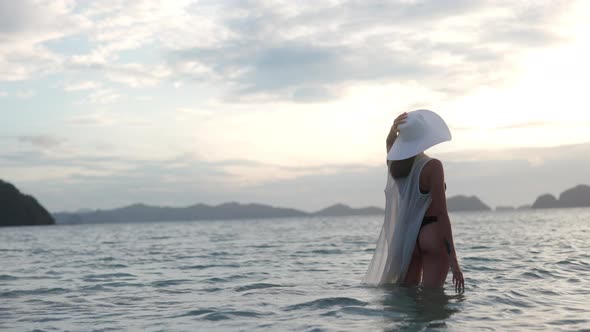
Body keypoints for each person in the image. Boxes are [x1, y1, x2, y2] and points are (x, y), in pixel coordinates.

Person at [362, 109, 464, 291]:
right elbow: (441, 213)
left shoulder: (396, 167)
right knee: (433, 302)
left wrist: (393, 130)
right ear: (424, 137)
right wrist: (454, 262)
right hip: (431, 233)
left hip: (409, 238)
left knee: (408, 300)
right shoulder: (433, 166)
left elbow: (389, 146)